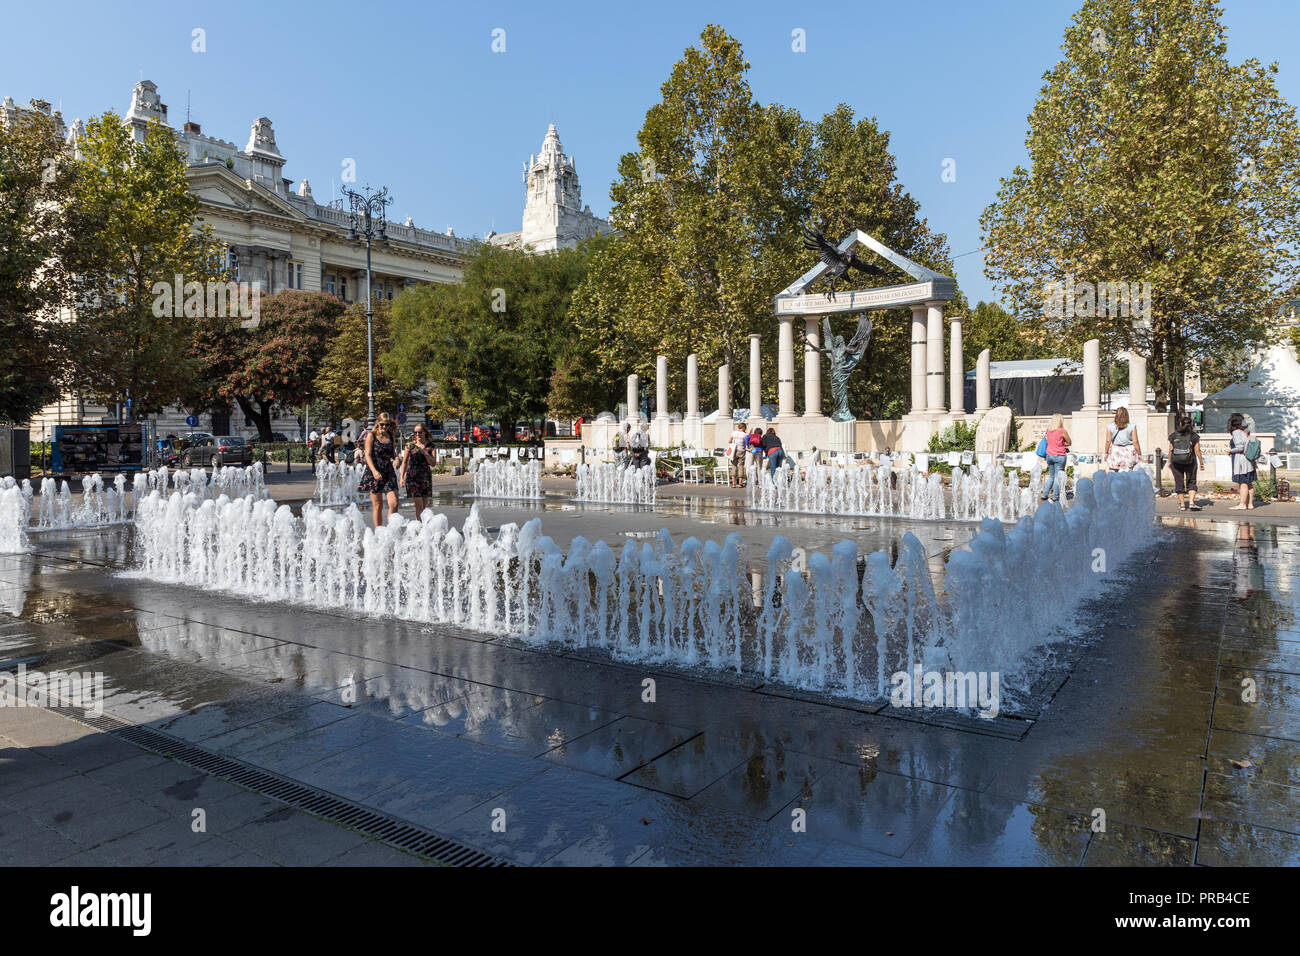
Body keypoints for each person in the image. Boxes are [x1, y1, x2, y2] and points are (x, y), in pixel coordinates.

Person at [359, 413, 400, 526]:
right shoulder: (371, 436)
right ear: (377, 423)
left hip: (388, 471)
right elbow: (367, 455)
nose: (384, 427)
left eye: (387, 425)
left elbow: (393, 453)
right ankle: (379, 532)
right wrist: (374, 471)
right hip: (374, 471)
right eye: (382, 424)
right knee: (378, 504)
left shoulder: (390, 436)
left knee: (394, 503)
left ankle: (391, 529)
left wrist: (396, 458)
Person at [398, 424, 436, 517]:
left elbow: (433, 463)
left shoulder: (431, 446)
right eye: (415, 432)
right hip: (412, 476)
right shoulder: (409, 445)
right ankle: (421, 527)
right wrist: (401, 477)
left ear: (425, 432)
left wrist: (425, 453)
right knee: (419, 505)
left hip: (425, 476)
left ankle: (422, 525)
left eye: (420, 432)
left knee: (424, 506)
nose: (417, 434)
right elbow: (405, 462)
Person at [1167, 415, 1203, 511]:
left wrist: (1169, 462)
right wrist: (1201, 462)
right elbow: (1197, 450)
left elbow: (1170, 450)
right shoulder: (1194, 436)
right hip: (1190, 462)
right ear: (1191, 425)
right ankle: (1191, 503)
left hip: (1176, 462)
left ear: (1180, 424)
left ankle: (1182, 505)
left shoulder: (1173, 435)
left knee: (1179, 482)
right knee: (1191, 481)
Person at [1228, 412, 1257, 511]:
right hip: (1249, 460)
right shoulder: (1246, 431)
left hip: (1241, 461)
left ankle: (1242, 504)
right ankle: (1250, 504)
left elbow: (1240, 447)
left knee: (1243, 482)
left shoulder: (1236, 432)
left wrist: (1230, 450)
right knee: (1249, 482)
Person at [1042, 413, 1071, 503]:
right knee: (1057, 477)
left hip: (1049, 455)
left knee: (1051, 476)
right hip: (1059, 455)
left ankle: (1044, 494)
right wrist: (1063, 444)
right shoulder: (1062, 431)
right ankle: (1055, 496)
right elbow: (1069, 442)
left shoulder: (1048, 430)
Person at [1104, 406, 1141, 471]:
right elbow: (1135, 441)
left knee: (1114, 474)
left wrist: (1106, 452)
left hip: (1116, 452)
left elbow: (1108, 441)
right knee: (1129, 475)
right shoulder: (1132, 426)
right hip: (1129, 452)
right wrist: (1139, 453)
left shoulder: (1110, 426)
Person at [727, 421, 749, 488]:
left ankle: (733, 484)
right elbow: (746, 444)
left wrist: (734, 442)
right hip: (741, 451)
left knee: (734, 466)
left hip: (734, 451)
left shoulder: (734, 432)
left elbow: (729, 441)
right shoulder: (745, 435)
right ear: (743, 427)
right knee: (741, 467)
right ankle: (740, 483)